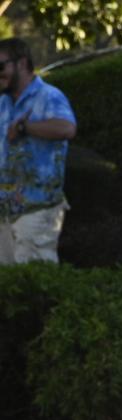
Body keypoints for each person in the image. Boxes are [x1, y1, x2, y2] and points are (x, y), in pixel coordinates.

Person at [0, 37, 76, 265]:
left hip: (38, 208)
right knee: (8, 286)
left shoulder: (49, 96)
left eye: (0, 66)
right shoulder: (3, 103)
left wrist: (26, 127)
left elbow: (67, 128)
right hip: (6, 211)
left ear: (21, 63)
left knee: (33, 281)